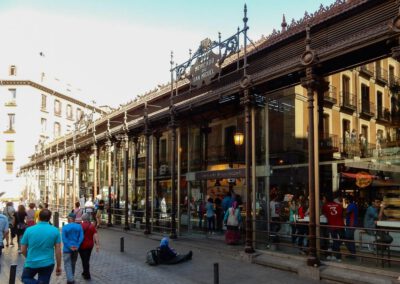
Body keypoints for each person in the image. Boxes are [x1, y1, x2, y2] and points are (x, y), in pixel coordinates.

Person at [20, 209, 62, 284]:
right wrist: (58, 266)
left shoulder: (29, 230)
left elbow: (23, 250)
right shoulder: (55, 230)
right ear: (50, 218)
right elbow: (58, 251)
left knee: (25, 278)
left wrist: (29, 257)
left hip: (31, 262)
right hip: (47, 263)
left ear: (39, 217)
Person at [62, 213, 84, 284]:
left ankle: (70, 280)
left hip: (67, 249)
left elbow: (64, 239)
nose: (67, 219)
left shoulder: (65, 227)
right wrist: (77, 246)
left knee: (67, 264)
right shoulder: (79, 226)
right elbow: (81, 237)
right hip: (76, 249)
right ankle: (71, 277)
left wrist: (69, 246)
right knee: (73, 263)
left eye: (68, 218)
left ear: (70, 219)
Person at [322, 194, 344, 262]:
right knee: (338, 240)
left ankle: (334, 255)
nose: (323, 200)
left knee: (331, 240)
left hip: (332, 225)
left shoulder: (325, 206)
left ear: (326, 199)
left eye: (323, 199)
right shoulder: (338, 205)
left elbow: (324, 214)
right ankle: (336, 256)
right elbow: (342, 214)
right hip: (340, 225)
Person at [79, 213, 99, 280]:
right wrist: (97, 245)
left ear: (82, 218)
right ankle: (85, 272)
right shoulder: (92, 226)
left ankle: (87, 275)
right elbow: (95, 235)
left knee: (84, 260)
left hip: (82, 246)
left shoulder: (80, 226)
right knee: (87, 259)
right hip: (90, 245)